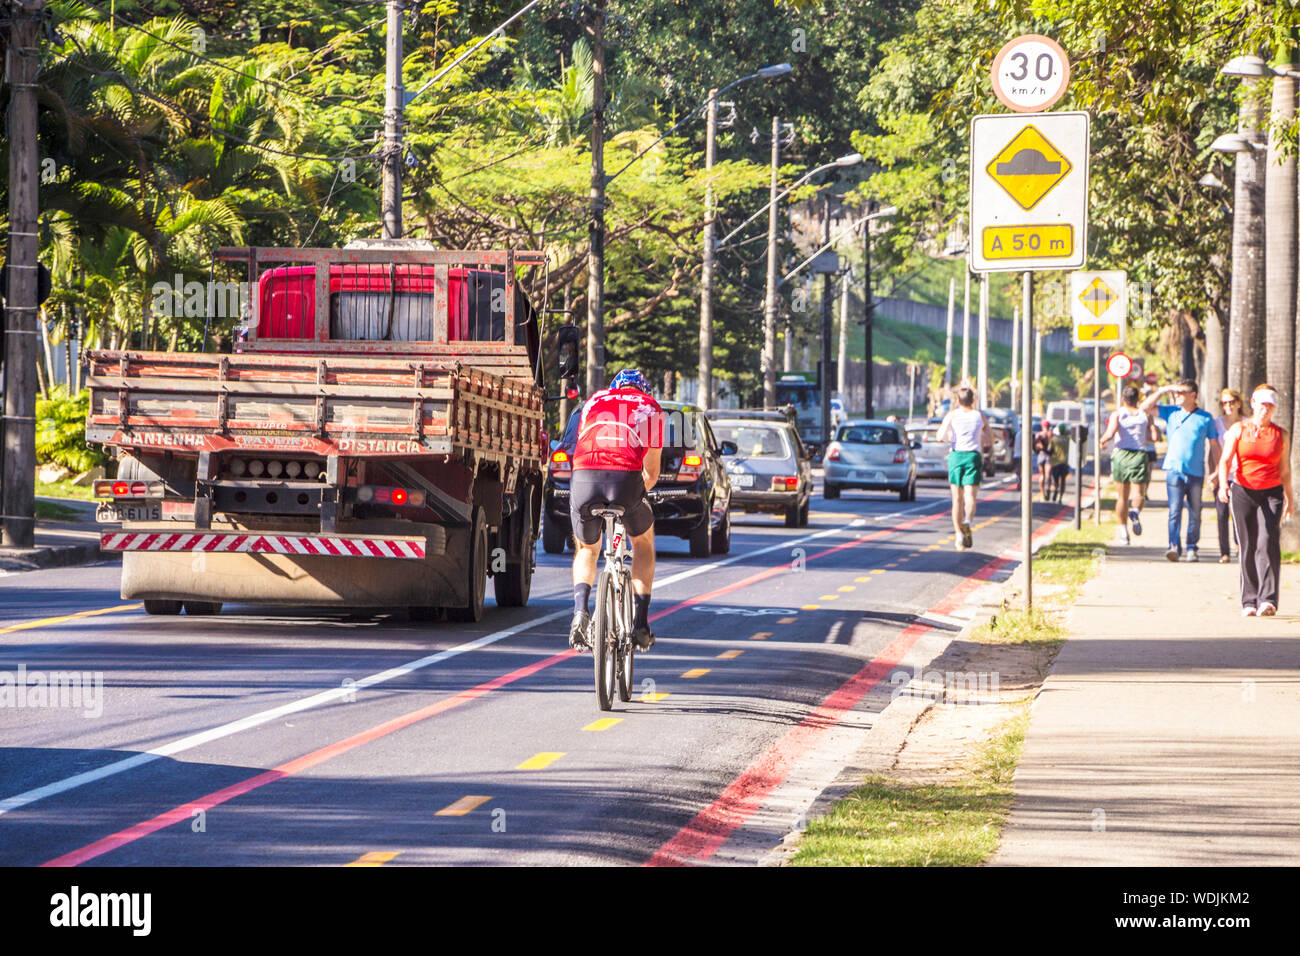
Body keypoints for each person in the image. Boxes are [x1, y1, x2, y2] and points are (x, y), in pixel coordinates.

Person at [568, 368, 664, 652]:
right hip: (624, 479)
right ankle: (640, 624)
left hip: (584, 476)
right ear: (643, 391)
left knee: (587, 548)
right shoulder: (650, 408)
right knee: (643, 542)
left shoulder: (595, 400)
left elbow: (581, 444)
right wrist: (634, 498)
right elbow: (652, 472)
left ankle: (580, 613)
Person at [1216, 384, 1294, 617]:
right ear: (1253, 404)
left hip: (1271, 493)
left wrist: (1290, 499)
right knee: (1247, 545)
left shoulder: (1281, 434)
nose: (1266, 410)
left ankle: (1268, 600)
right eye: (1262, 405)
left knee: (1268, 542)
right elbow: (1225, 461)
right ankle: (1249, 600)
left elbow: (1285, 470)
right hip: (1243, 492)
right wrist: (1223, 485)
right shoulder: (1239, 430)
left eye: (1270, 406)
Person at [1141, 379, 1221, 562]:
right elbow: (1144, 408)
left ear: (1193, 395)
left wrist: (1217, 470)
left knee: (1195, 511)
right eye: (1176, 393)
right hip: (1174, 470)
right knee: (1174, 511)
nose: (1178, 396)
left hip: (1196, 472)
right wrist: (1163, 389)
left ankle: (1192, 547)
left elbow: (1214, 445)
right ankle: (1173, 546)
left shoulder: (1205, 417)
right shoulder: (1171, 412)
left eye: (1181, 392)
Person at [936, 386, 992, 551]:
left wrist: (949, 439)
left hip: (956, 456)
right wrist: (985, 440)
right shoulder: (979, 416)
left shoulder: (952, 415)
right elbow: (990, 438)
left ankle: (958, 534)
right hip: (973, 456)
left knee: (957, 499)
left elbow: (940, 436)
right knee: (970, 496)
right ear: (973, 401)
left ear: (958, 401)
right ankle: (968, 521)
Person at [1099, 384, 1156, 545]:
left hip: (1121, 454)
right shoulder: (1144, 415)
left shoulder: (1117, 414)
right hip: (1139, 454)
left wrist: (1102, 441)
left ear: (1123, 399)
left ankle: (1124, 533)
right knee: (1139, 493)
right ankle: (1135, 511)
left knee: (1122, 497)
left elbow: (1110, 433)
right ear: (1137, 399)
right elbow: (1154, 436)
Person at [1209, 388, 1245, 563]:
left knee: (1239, 513)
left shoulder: (1247, 423)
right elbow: (1213, 450)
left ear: (1238, 403)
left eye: (1231, 402)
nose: (1228, 406)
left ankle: (1239, 546)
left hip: (1242, 475)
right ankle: (1224, 552)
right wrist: (1214, 473)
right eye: (1224, 403)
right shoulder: (1216, 423)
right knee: (1222, 513)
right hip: (1223, 475)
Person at [1049, 423, 1070, 501]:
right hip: (1064, 462)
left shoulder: (1054, 439)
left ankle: (1056, 488)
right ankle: (1060, 498)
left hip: (1055, 463)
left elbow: (1049, 450)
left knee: (1055, 479)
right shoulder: (1068, 439)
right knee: (1063, 480)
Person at [1033, 418, 1054, 498]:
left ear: (1042, 426)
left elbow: (1035, 445)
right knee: (1048, 475)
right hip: (1049, 455)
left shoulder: (1039, 434)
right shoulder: (1051, 434)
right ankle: (1048, 488)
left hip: (1041, 455)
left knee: (1042, 475)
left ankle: (1042, 493)